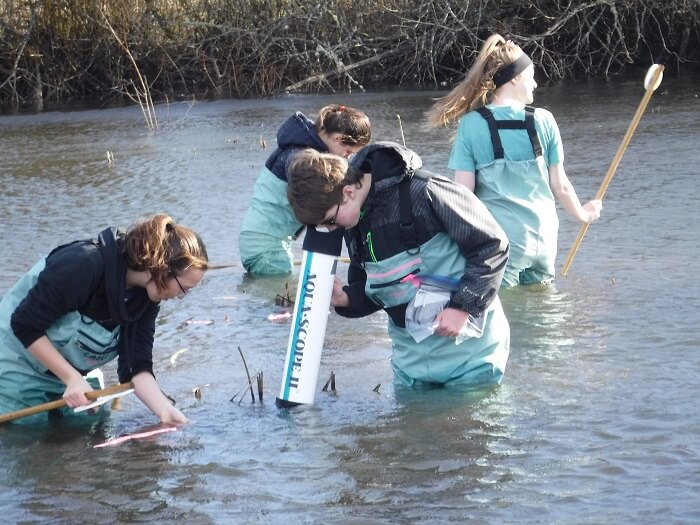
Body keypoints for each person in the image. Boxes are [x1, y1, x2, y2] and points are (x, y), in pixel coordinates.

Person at [286, 142, 511, 388]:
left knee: (466, 424)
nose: (330, 230)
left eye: (330, 221)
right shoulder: (352, 223)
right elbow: (377, 290)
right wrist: (345, 298)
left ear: (348, 192)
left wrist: (462, 308)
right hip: (410, 365)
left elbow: (492, 246)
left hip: (469, 356)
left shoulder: (426, 191)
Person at [427, 34, 602, 287]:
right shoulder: (544, 119)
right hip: (545, 238)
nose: (535, 84)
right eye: (531, 77)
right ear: (515, 77)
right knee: (545, 314)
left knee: (504, 315)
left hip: (502, 244)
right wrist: (583, 214)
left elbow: (464, 194)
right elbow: (560, 186)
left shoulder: (472, 125)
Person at [0, 214, 208, 424]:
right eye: (184, 289)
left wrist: (165, 411)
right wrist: (71, 378)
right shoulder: (83, 264)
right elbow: (24, 325)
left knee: (93, 427)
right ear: (163, 269)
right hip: (18, 358)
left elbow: (135, 366)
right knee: (29, 433)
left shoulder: (147, 298)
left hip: (72, 373)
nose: (178, 297)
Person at [239, 104, 372, 275]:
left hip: (260, 242)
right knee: (283, 299)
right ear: (338, 138)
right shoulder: (299, 159)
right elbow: (300, 171)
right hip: (267, 248)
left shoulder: (298, 145)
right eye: (348, 152)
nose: (347, 158)